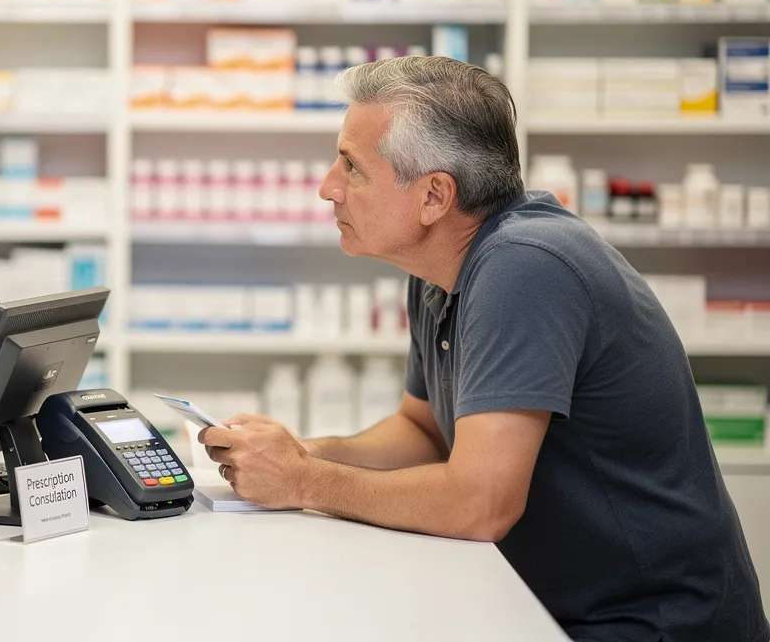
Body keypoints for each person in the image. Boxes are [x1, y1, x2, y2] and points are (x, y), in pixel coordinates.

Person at [200, 56, 769, 641]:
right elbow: (422, 435)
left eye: (351, 166)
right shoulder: (437, 270)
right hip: (549, 606)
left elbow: (481, 505)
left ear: (433, 197)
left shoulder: (525, 265)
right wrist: (296, 455)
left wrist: (305, 481)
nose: (328, 188)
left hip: (651, 624)